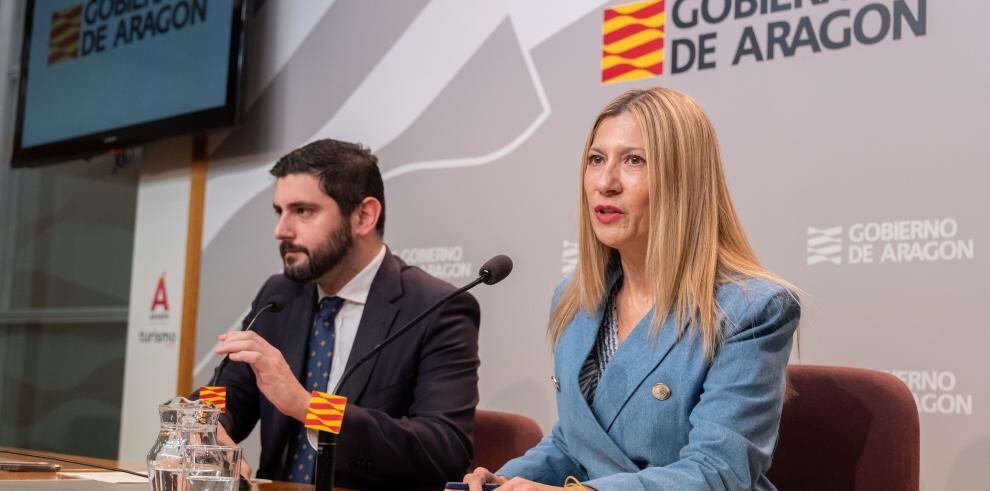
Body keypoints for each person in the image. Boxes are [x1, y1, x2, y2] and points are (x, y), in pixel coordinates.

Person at [463, 87, 800, 491]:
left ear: (684, 180)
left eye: (634, 160)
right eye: (596, 159)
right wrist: (506, 481)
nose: (605, 183)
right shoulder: (575, 297)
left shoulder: (753, 308)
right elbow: (576, 442)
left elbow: (718, 472)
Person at [211, 139, 481, 490]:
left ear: (363, 216)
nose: (281, 230)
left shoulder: (435, 307)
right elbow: (225, 390)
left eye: (303, 211)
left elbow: (444, 448)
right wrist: (208, 424)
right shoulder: (280, 296)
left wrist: (311, 408)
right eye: (280, 212)